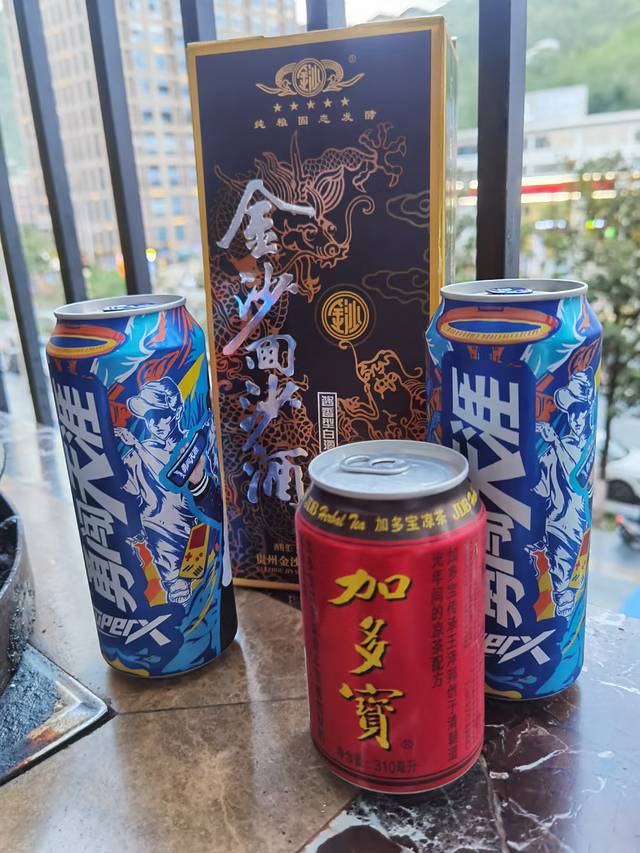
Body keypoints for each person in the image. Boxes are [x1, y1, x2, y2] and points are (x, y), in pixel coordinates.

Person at [115, 377, 222, 605]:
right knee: (156, 518)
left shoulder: (196, 441)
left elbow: (213, 502)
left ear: (176, 411)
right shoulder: (138, 454)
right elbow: (128, 496)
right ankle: (175, 580)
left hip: (199, 527)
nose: (153, 423)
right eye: (147, 417)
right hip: (162, 532)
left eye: (160, 415)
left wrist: (136, 445)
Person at [530, 369, 595, 618]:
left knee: (563, 589)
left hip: (572, 527)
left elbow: (576, 477)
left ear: (589, 410)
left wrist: (554, 441)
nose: (575, 418)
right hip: (550, 522)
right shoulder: (565, 443)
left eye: (580, 410)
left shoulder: (585, 445)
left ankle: (565, 623)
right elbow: (541, 485)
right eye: (571, 411)